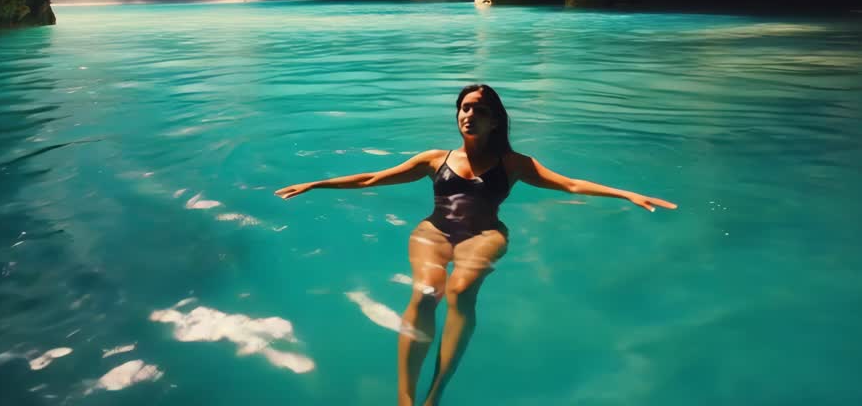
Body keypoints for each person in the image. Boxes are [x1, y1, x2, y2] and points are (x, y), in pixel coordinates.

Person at [275, 84, 677, 406]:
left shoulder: (514, 164)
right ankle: (405, 398)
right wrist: (316, 183)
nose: (469, 114)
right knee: (427, 292)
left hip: (485, 233)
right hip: (434, 231)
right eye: (464, 108)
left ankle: (436, 393)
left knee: (461, 290)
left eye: (479, 110)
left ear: (495, 122)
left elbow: (570, 183)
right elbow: (372, 178)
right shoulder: (435, 159)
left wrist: (627, 194)